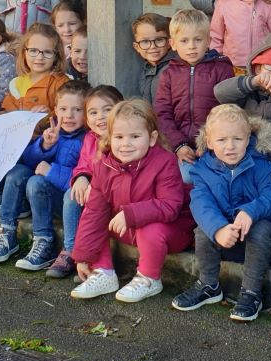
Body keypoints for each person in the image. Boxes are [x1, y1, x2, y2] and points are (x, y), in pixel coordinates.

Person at [174, 104, 271, 321]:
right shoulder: (201, 170)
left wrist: (250, 211)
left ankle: (251, 293)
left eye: (237, 139)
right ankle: (209, 285)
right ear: (209, 142)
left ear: (248, 139)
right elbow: (200, 203)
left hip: (261, 244)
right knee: (202, 230)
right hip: (226, 239)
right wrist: (218, 228)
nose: (230, 146)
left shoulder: (259, 165)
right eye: (221, 140)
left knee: (262, 227)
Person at [69, 98, 194, 302]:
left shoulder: (165, 162)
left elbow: (170, 206)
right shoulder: (104, 166)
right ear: (110, 138)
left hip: (171, 231)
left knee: (149, 229)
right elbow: (93, 213)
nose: (125, 144)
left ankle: (149, 278)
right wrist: (84, 256)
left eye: (135, 136)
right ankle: (103, 272)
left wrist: (130, 214)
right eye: (118, 137)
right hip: (128, 228)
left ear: (152, 138)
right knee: (97, 217)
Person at [0, 80, 89, 267]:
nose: (69, 115)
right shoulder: (53, 132)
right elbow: (30, 163)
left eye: (77, 110)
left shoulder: (87, 139)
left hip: (73, 203)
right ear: (56, 110)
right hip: (48, 194)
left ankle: (50, 243)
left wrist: (51, 171)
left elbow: (82, 180)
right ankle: (12, 234)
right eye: (64, 109)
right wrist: (45, 145)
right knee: (21, 173)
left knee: (37, 182)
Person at [49, 85, 123, 281]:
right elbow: (83, 165)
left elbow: (117, 172)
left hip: (116, 200)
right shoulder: (89, 139)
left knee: (79, 198)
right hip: (93, 195)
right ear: (87, 119)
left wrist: (94, 184)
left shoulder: (123, 138)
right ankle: (71, 251)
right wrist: (81, 177)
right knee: (71, 193)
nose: (100, 117)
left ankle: (82, 256)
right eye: (93, 112)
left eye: (107, 110)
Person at [154, 8, 235, 167]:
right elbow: (161, 113)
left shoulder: (221, 69)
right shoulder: (168, 74)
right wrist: (178, 145)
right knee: (183, 178)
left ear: (208, 41)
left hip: (214, 147)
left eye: (198, 39)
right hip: (178, 147)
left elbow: (228, 111)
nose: (192, 46)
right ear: (173, 44)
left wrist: (208, 141)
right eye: (184, 41)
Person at [2, 22, 68, 115]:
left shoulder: (61, 83)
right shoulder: (17, 84)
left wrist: (49, 114)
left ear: (56, 56)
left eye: (47, 52)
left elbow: (68, 113)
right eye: (33, 51)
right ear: (24, 52)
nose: (40, 57)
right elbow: (7, 114)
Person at [131, 13, 173, 99]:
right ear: (137, 47)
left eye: (159, 40)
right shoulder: (145, 71)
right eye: (145, 42)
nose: (153, 46)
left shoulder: (175, 69)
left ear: (169, 43)